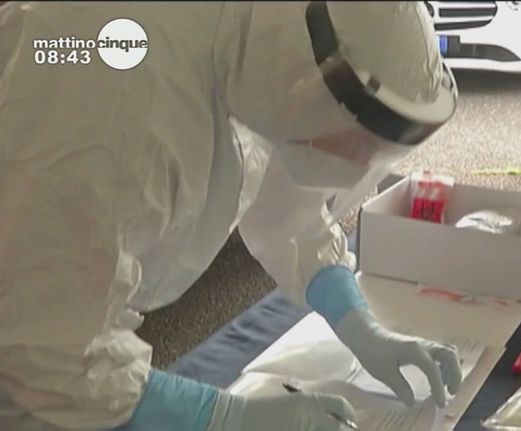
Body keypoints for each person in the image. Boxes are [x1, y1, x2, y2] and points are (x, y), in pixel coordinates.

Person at [0, 2, 462, 430]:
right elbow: (43, 347)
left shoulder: (261, 46)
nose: (359, 164)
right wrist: (225, 417)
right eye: (358, 143)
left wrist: (359, 324)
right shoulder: (116, 104)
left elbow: (285, 195)